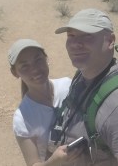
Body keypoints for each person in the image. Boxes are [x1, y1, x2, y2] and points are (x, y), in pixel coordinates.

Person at [54, 9, 118, 166]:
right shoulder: (83, 75)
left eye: (87, 35)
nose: (76, 44)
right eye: (71, 36)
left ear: (111, 40)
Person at [9, 38, 82, 166]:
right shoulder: (22, 118)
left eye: (38, 60)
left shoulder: (68, 86)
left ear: (46, 59)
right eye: (25, 66)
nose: (35, 69)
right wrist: (54, 161)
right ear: (15, 73)